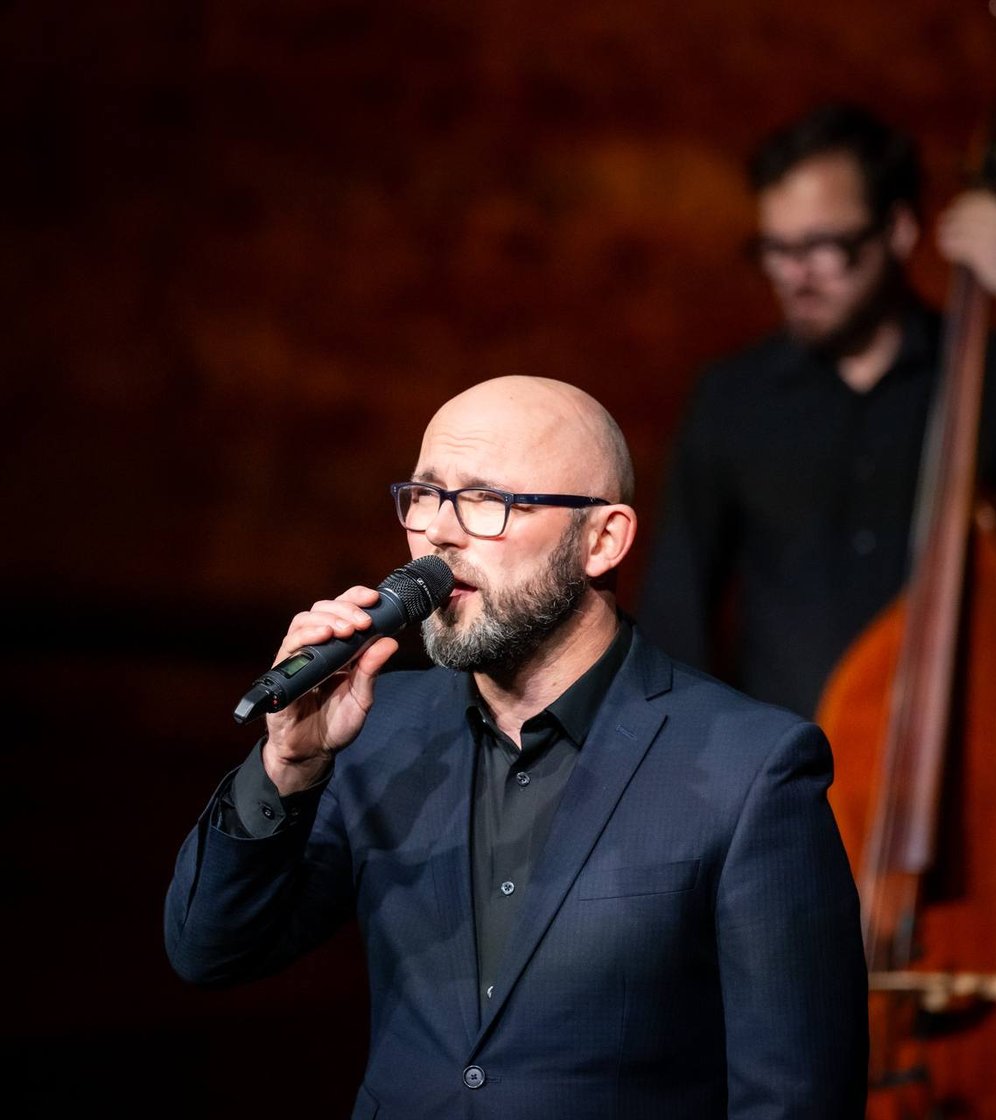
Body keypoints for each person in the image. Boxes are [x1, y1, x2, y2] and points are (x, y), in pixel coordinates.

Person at [164, 375, 869, 1119]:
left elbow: (796, 1097)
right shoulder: (379, 729)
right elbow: (212, 950)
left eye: (486, 500)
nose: (439, 533)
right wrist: (290, 766)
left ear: (602, 539)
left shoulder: (749, 768)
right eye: (425, 495)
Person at [637, 101, 996, 720]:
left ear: (897, 229)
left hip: (969, 746)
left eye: (824, 247)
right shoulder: (734, 396)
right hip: (787, 766)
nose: (795, 276)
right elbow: (677, 602)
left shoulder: (994, 374)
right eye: (776, 249)